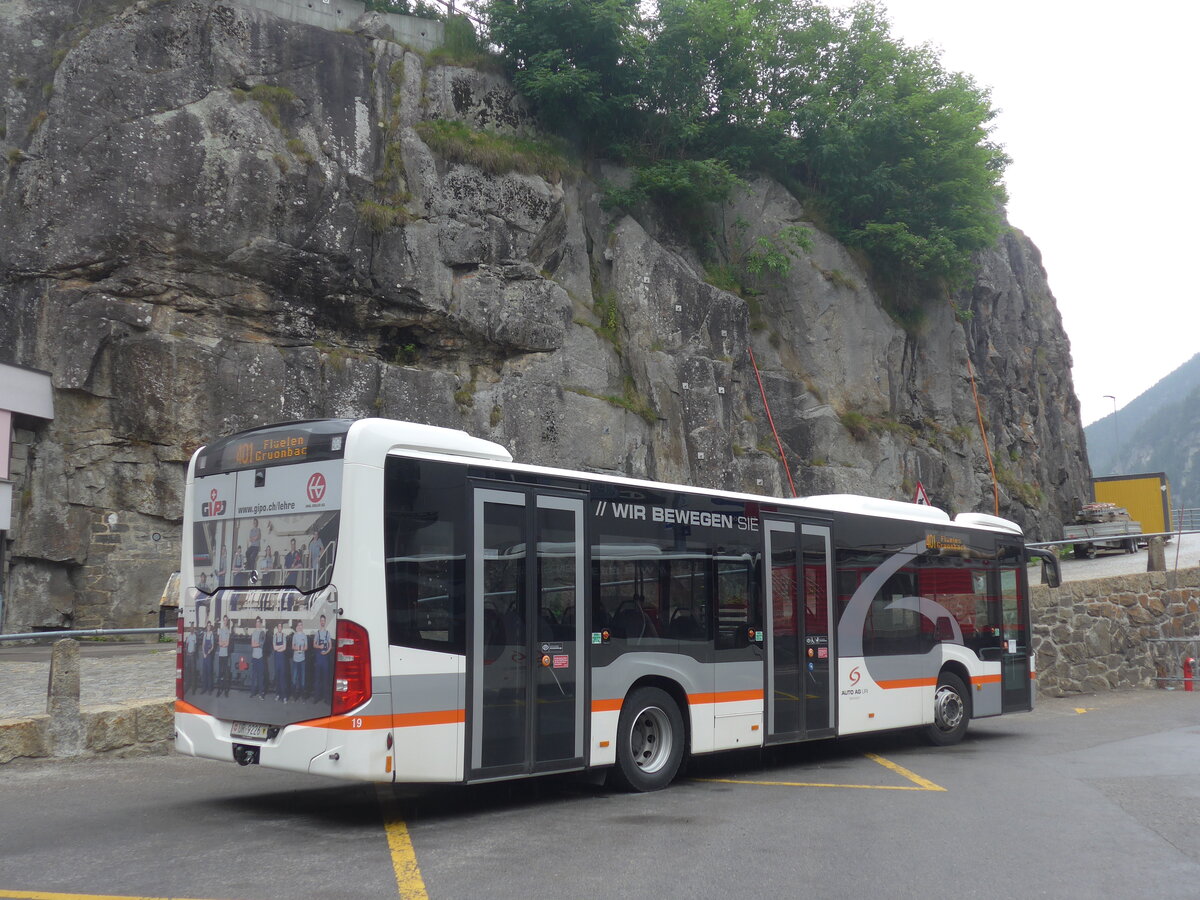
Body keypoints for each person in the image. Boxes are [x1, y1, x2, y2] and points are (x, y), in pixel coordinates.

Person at [312, 614, 333, 703]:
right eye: (321, 621)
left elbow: (330, 646)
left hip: (325, 659)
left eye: (324, 621)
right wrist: (319, 647)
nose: (322, 622)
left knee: (325, 679)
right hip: (318, 658)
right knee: (317, 679)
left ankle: (326, 698)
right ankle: (317, 697)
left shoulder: (328, 633)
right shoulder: (317, 633)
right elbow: (314, 644)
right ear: (320, 622)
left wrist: (326, 652)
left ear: (325, 622)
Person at [290, 620, 309, 701]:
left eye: (301, 625)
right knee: (294, 679)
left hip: (302, 660)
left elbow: (306, 647)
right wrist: (298, 648)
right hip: (295, 660)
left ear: (302, 626)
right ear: (297, 626)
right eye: (299, 625)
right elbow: (292, 647)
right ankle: (294, 696)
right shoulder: (294, 636)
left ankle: (302, 696)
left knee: (302, 680)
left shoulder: (304, 636)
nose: (300, 626)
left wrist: (302, 648)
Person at [249, 616, 267, 698]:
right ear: (255, 623)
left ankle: (261, 694)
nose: (258, 623)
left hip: (260, 657)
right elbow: (252, 645)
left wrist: (257, 643)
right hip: (254, 657)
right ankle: (252, 692)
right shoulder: (254, 632)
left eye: (259, 622)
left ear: (260, 623)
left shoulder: (263, 632)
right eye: (256, 622)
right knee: (253, 676)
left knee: (261, 676)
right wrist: (257, 644)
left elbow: (261, 644)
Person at [272, 621, 289, 702]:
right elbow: (274, 648)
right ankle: (278, 695)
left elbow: (285, 648)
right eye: (278, 626)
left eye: (280, 627)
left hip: (282, 659)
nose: (279, 628)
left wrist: (278, 647)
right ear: (277, 628)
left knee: (283, 678)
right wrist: (281, 646)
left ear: (282, 628)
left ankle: (284, 696)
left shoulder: (284, 635)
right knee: (277, 677)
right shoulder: (274, 636)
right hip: (277, 659)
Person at [217, 615, 233, 696]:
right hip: (221, 654)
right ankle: (219, 690)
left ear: (227, 621)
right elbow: (219, 642)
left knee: (226, 673)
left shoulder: (228, 631)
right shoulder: (221, 630)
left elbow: (227, 643)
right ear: (223, 621)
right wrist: (223, 643)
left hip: (226, 655)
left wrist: (223, 643)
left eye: (226, 620)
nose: (225, 621)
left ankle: (226, 691)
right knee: (220, 672)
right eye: (224, 620)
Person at [200, 621, 216, 694]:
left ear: (211, 627)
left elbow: (212, 646)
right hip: (204, 655)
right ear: (206, 627)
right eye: (208, 626)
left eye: (210, 626)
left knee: (209, 672)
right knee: (204, 672)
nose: (209, 627)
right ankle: (204, 688)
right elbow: (203, 645)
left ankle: (209, 689)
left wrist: (209, 651)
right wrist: (203, 653)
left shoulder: (212, 635)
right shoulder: (205, 634)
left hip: (209, 655)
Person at [184, 625, 198, 692]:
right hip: (188, 655)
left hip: (192, 655)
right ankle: (187, 686)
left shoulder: (194, 636)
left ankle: (193, 688)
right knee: (187, 671)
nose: (191, 630)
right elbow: (186, 645)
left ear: (194, 630)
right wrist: (187, 652)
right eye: (190, 629)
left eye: (192, 629)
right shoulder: (189, 636)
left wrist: (193, 652)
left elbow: (195, 646)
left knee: (193, 672)